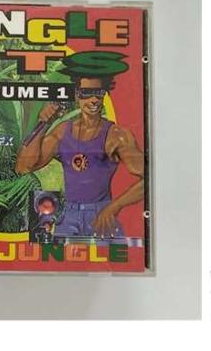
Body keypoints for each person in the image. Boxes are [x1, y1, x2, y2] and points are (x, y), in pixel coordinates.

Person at [16, 75, 144, 239]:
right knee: (59, 256)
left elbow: (148, 178)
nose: (93, 100)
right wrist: (44, 123)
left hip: (101, 214)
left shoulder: (117, 136)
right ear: (77, 95)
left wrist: (114, 207)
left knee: (110, 255)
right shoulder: (62, 131)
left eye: (98, 93)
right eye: (86, 93)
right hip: (68, 214)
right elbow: (23, 167)